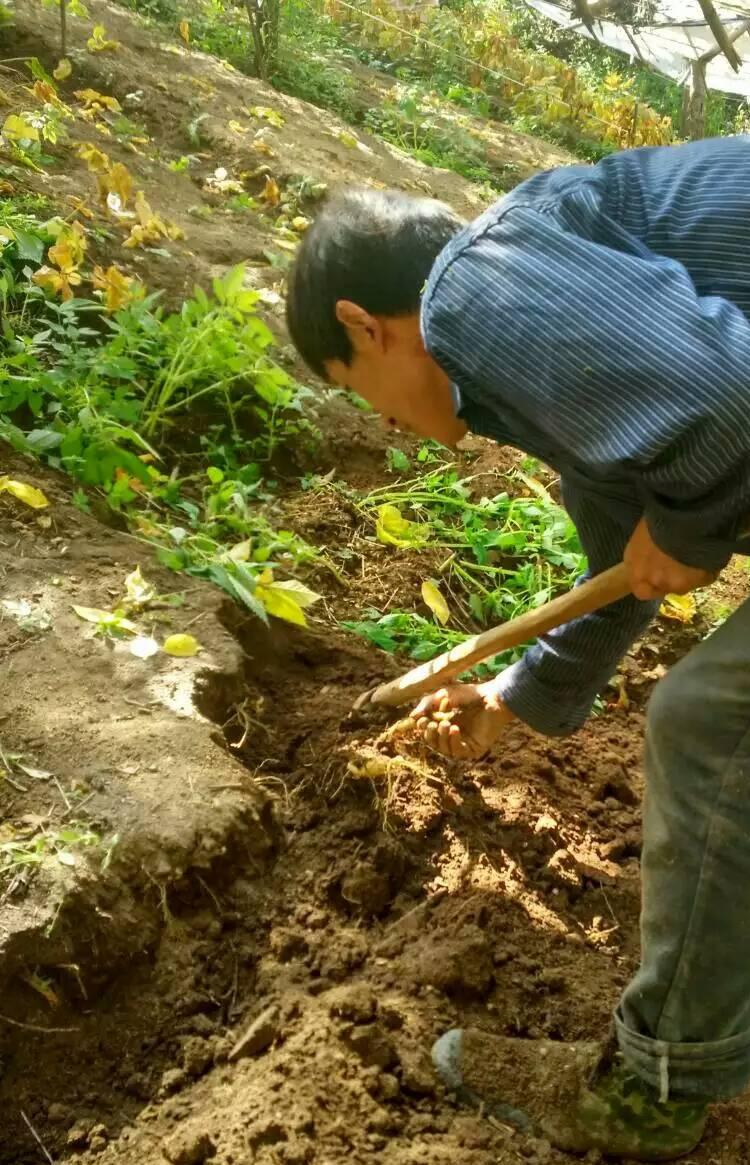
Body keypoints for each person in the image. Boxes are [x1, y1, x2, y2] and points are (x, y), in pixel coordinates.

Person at [285, 135, 750, 1161]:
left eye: (358, 386)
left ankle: (649, 1092)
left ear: (366, 325)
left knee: (713, 722)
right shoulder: (551, 305)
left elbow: (729, 411)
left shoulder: (473, 290)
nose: (389, 424)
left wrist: (686, 525)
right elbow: (619, 558)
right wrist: (513, 696)